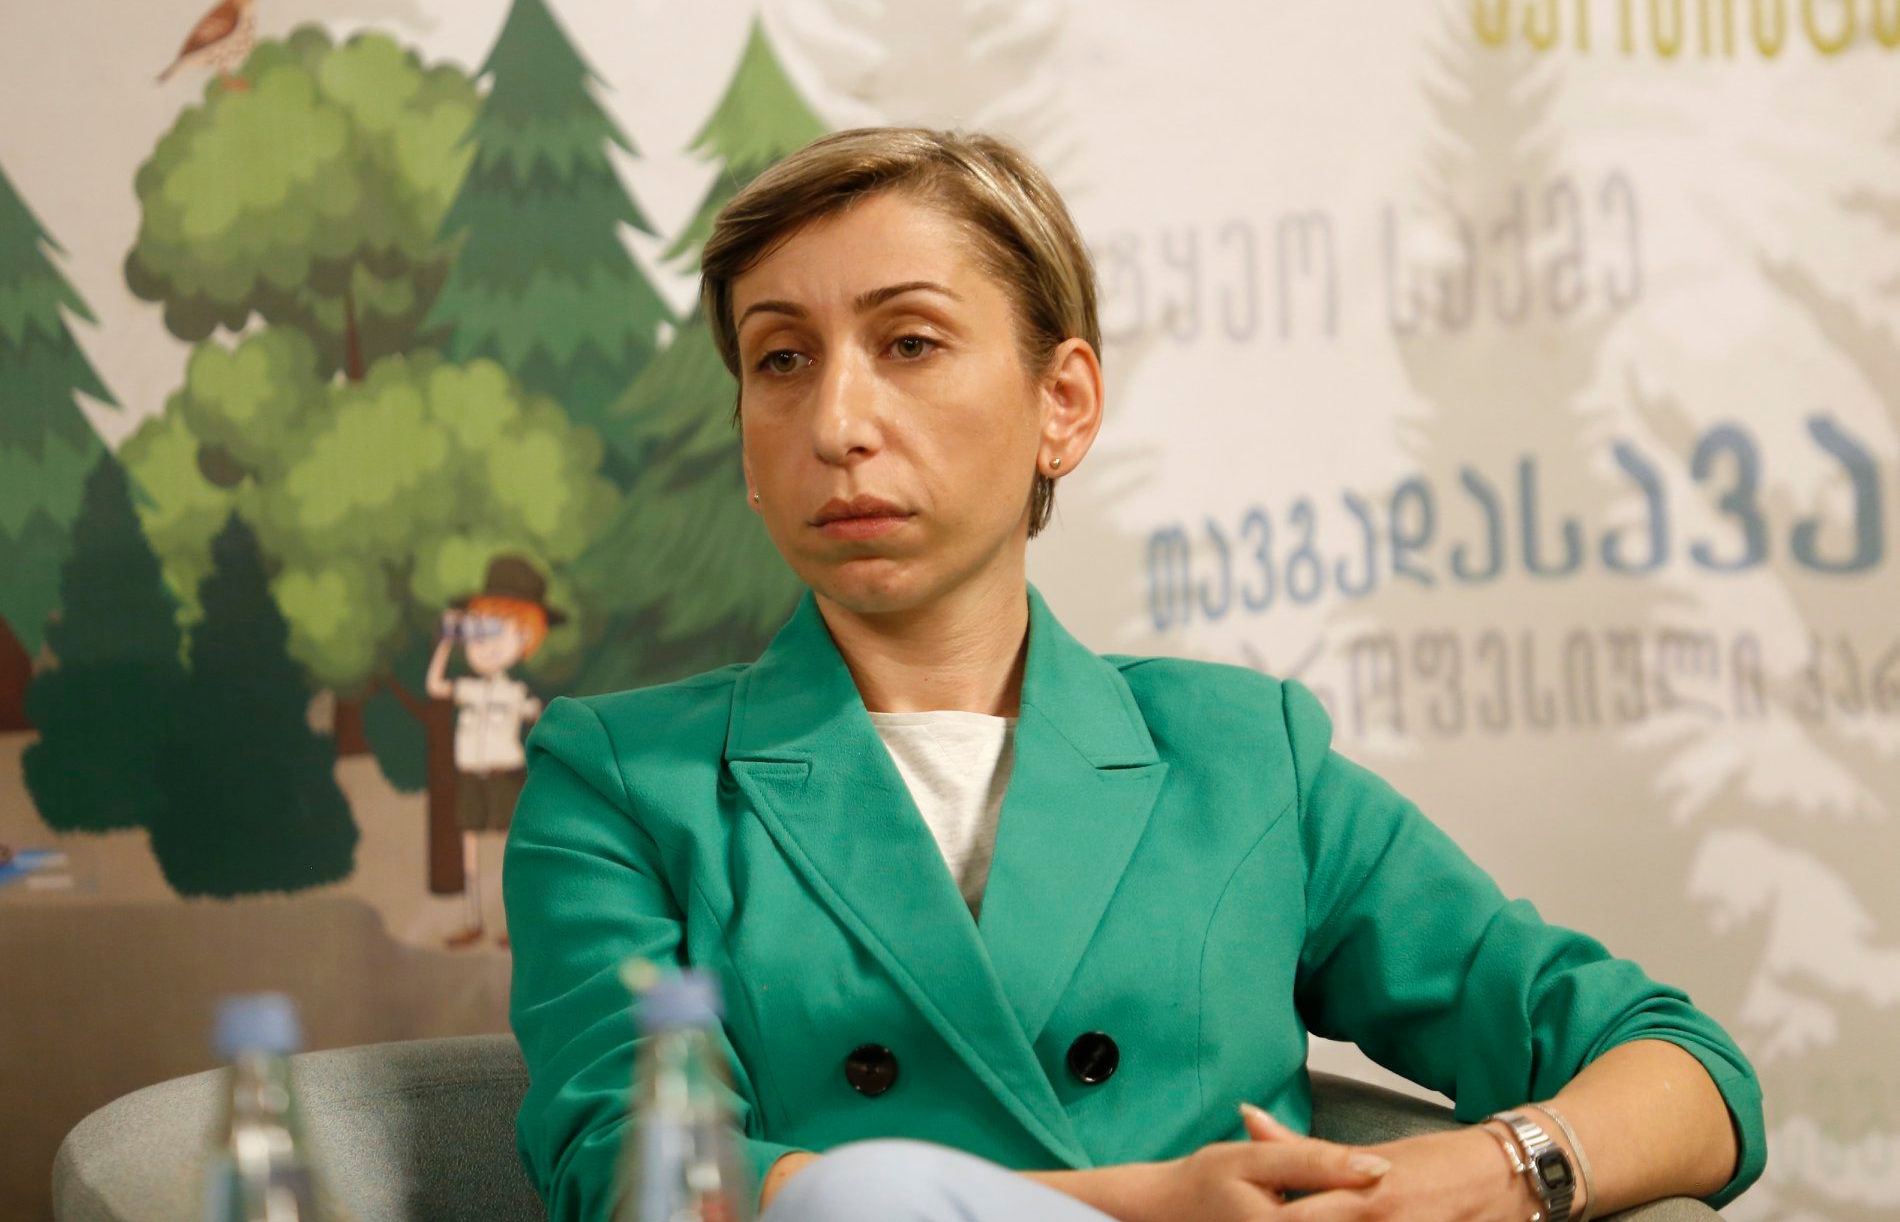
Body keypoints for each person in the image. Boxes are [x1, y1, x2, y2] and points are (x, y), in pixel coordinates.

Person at [504, 127, 1766, 1221]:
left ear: (1062, 403)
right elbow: (626, 1173)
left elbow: (1687, 1071)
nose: (836, 423)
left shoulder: (1245, 755)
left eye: (910, 342)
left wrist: (1495, 1170)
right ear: (744, 441)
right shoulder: (620, 779)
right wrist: (1147, 1206)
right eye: (781, 360)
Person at [427, 554, 558, 947]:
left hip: (506, 777)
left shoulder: (517, 693)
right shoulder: (469, 689)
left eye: (498, 630)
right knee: (470, 848)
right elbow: (435, 686)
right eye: (478, 630)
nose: (484, 644)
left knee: (509, 851)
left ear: (526, 638)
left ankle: (514, 924)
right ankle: (474, 919)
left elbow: (544, 721)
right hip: (472, 775)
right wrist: (446, 641)